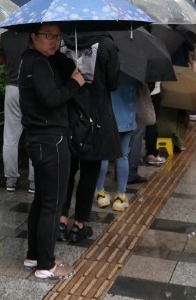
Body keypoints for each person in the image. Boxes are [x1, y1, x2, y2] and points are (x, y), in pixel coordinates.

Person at [18, 23, 84, 279]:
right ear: (33, 37)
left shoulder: (34, 60)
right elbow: (51, 98)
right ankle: (46, 265)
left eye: (57, 36)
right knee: (52, 204)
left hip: (39, 139)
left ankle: (34, 254)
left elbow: (58, 79)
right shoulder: (38, 64)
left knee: (42, 200)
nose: (53, 41)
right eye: (47, 35)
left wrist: (68, 67)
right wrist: (75, 84)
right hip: (50, 140)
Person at [59, 31, 121, 244]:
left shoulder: (61, 40)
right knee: (89, 173)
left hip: (68, 113)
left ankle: (60, 220)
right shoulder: (106, 44)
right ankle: (79, 225)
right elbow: (113, 83)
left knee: (67, 171)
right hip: (96, 117)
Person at [94, 73, 146, 212]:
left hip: (106, 117)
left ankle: (100, 193)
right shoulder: (134, 69)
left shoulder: (107, 64)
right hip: (126, 119)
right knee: (122, 156)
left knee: (103, 157)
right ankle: (120, 197)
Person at [0, 30, 35, 193]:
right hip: (31, 89)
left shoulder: (4, 36)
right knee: (34, 134)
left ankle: (10, 180)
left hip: (11, 88)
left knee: (10, 136)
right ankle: (34, 181)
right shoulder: (32, 34)